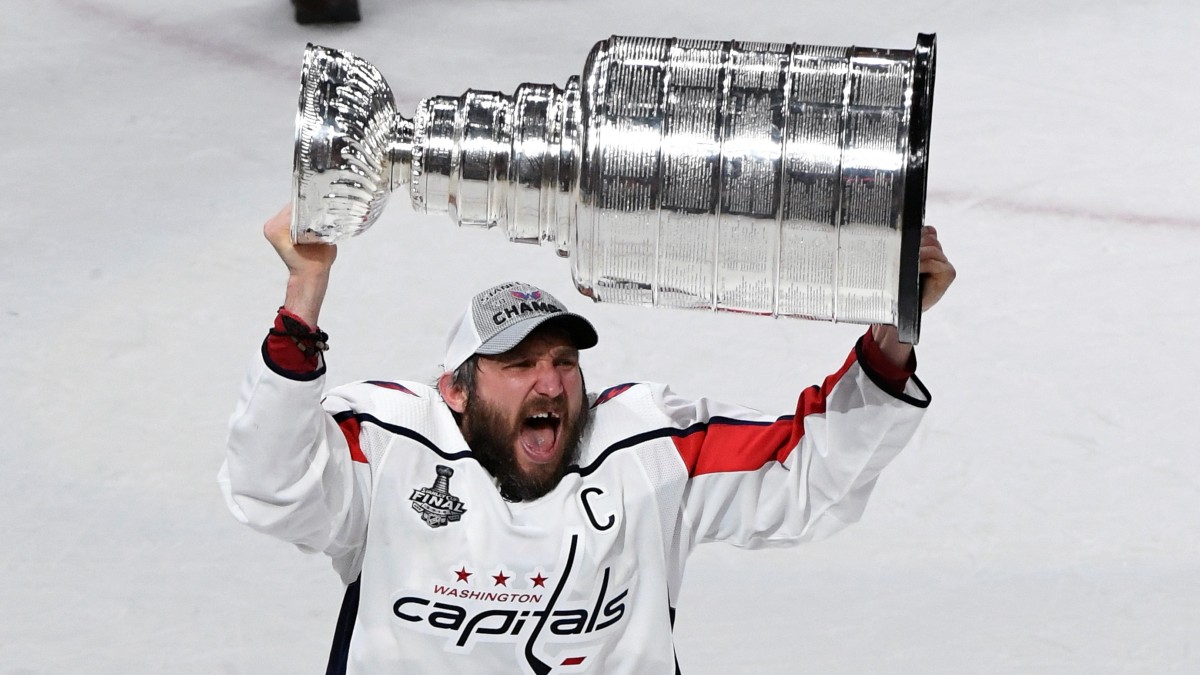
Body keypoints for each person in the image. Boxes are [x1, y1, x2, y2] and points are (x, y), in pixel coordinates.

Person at [219, 204, 956, 674]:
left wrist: (891, 344)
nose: (549, 383)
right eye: (518, 365)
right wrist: (303, 297)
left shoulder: (647, 445)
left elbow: (807, 477)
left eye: (564, 362)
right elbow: (269, 483)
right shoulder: (389, 448)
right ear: (455, 390)